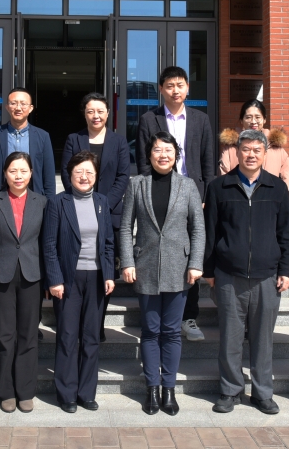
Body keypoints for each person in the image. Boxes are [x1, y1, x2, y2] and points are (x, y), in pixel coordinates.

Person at [204, 129, 289, 415]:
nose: (251, 155)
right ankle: (230, 390)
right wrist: (209, 270)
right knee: (230, 338)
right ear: (237, 152)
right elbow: (210, 232)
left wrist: (287, 269)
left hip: (267, 276)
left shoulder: (276, 188)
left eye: (257, 150)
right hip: (229, 276)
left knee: (263, 340)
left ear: (265, 154)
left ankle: (262, 392)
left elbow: (287, 233)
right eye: (246, 149)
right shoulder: (219, 187)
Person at [119, 132, 205, 416]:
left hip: (179, 268)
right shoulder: (137, 184)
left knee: (171, 332)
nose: (163, 155)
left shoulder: (187, 185)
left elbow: (198, 228)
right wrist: (127, 262)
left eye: (168, 150)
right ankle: (152, 388)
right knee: (150, 331)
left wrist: (195, 263)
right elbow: (125, 226)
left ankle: (169, 388)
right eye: (157, 150)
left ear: (176, 154)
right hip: (145, 267)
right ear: (149, 154)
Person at [136, 66, 215, 343]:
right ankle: (156, 314)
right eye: (169, 85)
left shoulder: (200, 119)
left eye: (180, 85)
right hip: (159, 192)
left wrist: (204, 196)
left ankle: (188, 316)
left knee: (189, 252)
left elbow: (207, 160)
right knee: (159, 251)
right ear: (161, 89)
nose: (175, 90)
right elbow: (143, 160)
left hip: (192, 194)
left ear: (188, 88)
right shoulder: (149, 119)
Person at [43, 151, 115, 413]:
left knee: (91, 337)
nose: (84, 177)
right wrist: (55, 279)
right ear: (70, 174)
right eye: (79, 172)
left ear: (96, 175)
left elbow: (109, 243)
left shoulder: (101, 201)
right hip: (68, 279)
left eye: (89, 172)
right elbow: (49, 245)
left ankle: (86, 393)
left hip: (96, 278)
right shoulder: (58, 202)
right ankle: (66, 394)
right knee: (67, 336)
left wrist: (109, 274)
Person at [0, 152, 48, 413]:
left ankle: (25, 391)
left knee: (28, 335)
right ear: (5, 174)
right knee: (4, 335)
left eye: (23, 171)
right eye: (13, 171)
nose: (18, 176)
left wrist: (49, 280)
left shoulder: (42, 202)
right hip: (0, 276)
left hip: (32, 276)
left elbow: (46, 243)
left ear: (31, 174)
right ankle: (5, 391)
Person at [61, 92, 130, 341]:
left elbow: (123, 176)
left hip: (109, 214)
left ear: (108, 113)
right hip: (78, 213)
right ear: (85, 114)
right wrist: (84, 203)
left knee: (105, 271)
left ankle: (97, 323)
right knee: (80, 269)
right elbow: (67, 171)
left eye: (100, 111)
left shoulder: (119, 141)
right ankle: (78, 322)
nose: (96, 116)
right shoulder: (74, 139)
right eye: (91, 111)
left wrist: (103, 205)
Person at [0, 87, 57, 200]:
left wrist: (50, 202)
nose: (18, 108)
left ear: (31, 108)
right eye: (13, 103)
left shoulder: (42, 136)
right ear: (7, 107)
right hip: (0, 199)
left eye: (23, 104)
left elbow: (49, 175)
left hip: (35, 199)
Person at [218, 99, 289, 199]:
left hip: (270, 199)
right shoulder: (231, 148)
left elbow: (286, 175)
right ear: (241, 120)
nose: (253, 122)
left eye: (258, 117)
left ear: (264, 119)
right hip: (238, 199)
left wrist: (287, 197)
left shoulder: (276, 147)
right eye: (248, 117)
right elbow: (224, 174)